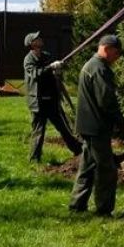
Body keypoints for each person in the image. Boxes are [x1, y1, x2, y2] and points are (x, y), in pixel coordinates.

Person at [69, 34, 124, 216]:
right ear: (107, 48)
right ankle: (103, 210)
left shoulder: (91, 66)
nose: (117, 58)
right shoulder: (100, 69)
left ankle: (77, 204)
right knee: (107, 170)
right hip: (97, 127)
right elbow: (106, 101)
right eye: (117, 53)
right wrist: (121, 122)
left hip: (88, 126)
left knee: (87, 166)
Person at [24, 31, 82, 162]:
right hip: (38, 103)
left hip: (51, 101)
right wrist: (50, 67)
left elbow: (52, 73)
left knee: (63, 127)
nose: (40, 39)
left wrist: (58, 69)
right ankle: (34, 159)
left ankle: (78, 150)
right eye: (37, 38)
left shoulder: (46, 56)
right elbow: (35, 75)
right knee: (39, 131)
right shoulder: (29, 60)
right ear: (32, 44)